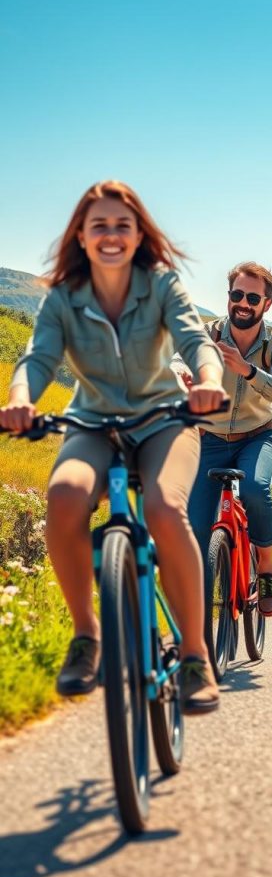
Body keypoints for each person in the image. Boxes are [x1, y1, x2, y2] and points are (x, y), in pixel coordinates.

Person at [0, 180, 227, 713]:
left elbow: (196, 343)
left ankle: (194, 655)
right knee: (64, 497)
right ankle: (88, 635)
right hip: (92, 423)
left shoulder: (161, 286)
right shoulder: (64, 299)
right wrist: (19, 398)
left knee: (165, 509)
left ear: (137, 234)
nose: (110, 234)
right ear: (80, 235)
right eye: (98, 225)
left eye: (122, 225)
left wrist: (210, 379)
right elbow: (38, 359)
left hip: (165, 421)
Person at [177, 261, 272, 616]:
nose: (243, 303)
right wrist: (181, 373)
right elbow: (176, 359)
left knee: (257, 490)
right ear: (228, 297)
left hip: (256, 438)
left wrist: (247, 369)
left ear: (266, 304)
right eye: (236, 294)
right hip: (208, 439)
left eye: (252, 297)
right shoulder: (207, 334)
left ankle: (266, 571)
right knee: (196, 530)